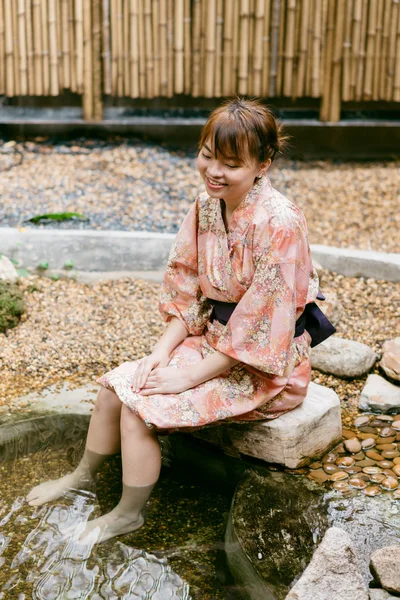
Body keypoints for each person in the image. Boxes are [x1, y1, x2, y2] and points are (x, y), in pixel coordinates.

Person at [27, 97, 331, 543]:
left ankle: (128, 513)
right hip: (211, 342)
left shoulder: (281, 223)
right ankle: (81, 476)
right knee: (115, 386)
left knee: (139, 410)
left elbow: (261, 330)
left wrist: (186, 378)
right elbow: (187, 289)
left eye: (230, 163)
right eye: (207, 155)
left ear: (263, 163)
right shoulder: (207, 205)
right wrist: (160, 354)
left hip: (267, 367)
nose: (213, 171)